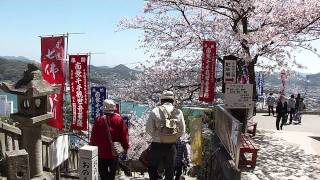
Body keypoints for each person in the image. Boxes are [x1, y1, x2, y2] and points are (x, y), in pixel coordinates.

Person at [146, 91, 186, 180]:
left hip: (157, 144)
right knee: (170, 169)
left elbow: (149, 129)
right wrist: (173, 136)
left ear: (161, 100)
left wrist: (157, 135)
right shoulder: (178, 112)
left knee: (152, 167)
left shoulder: (155, 110)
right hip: (171, 146)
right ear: (173, 101)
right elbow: (182, 130)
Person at [90, 99, 129, 180]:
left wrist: (92, 146)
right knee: (112, 175)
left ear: (104, 108)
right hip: (113, 153)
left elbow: (93, 136)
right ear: (114, 108)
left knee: (103, 174)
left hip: (101, 152)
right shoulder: (119, 120)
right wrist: (125, 147)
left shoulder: (99, 119)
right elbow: (124, 135)